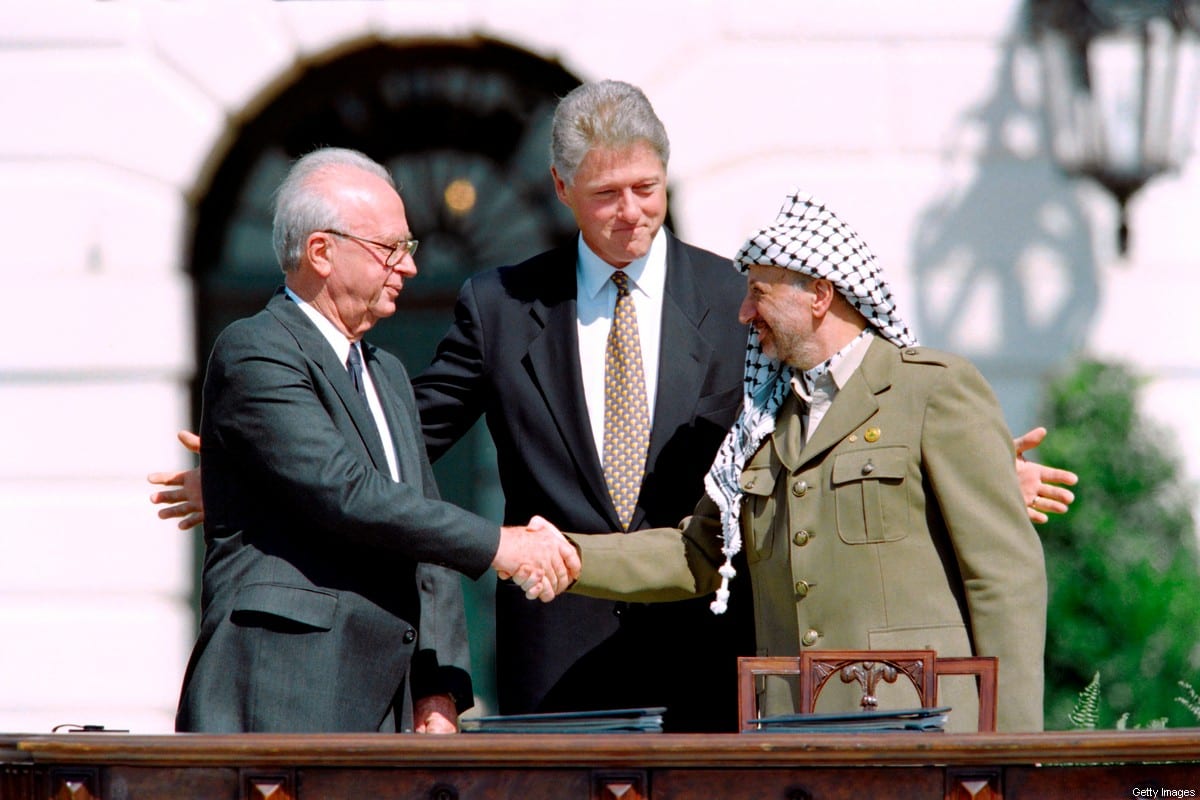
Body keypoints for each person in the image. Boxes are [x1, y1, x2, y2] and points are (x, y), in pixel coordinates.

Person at [150, 82, 1076, 732]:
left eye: (648, 189)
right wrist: (256, 471)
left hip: (726, 656)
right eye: (606, 195)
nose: (632, 212)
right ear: (561, 193)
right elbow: (399, 449)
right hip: (560, 660)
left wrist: (975, 472)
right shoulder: (500, 304)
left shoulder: (740, 298)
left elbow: (827, 429)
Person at [553, 191, 1049, 732]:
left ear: (819, 295)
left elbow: (1003, 579)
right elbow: (696, 553)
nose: (743, 314)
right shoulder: (762, 423)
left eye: (757, 294)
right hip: (793, 735)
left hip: (920, 731)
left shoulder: (931, 390)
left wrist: (1014, 752)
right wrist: (567, 557)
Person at [175, 147, 578, 734]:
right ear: (321, 252)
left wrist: (440, 688)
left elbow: (421, 520)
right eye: (391, 248)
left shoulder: (385, 371)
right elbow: (347, 492)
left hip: (385, 707)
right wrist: (500, 544)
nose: (410, 266)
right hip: (281, 694)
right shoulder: (255, 349)